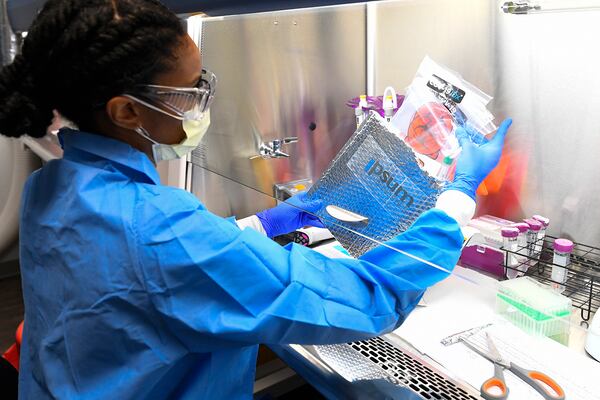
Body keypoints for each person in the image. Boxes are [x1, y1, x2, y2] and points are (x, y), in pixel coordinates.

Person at [0, 0, 512, 398]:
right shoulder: (161, 232)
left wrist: (271, 222)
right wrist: (457, 199)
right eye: (189, 91)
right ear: (126, 111)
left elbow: (146, 277)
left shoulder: (55, 186)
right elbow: (364, 297)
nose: (203, 100)